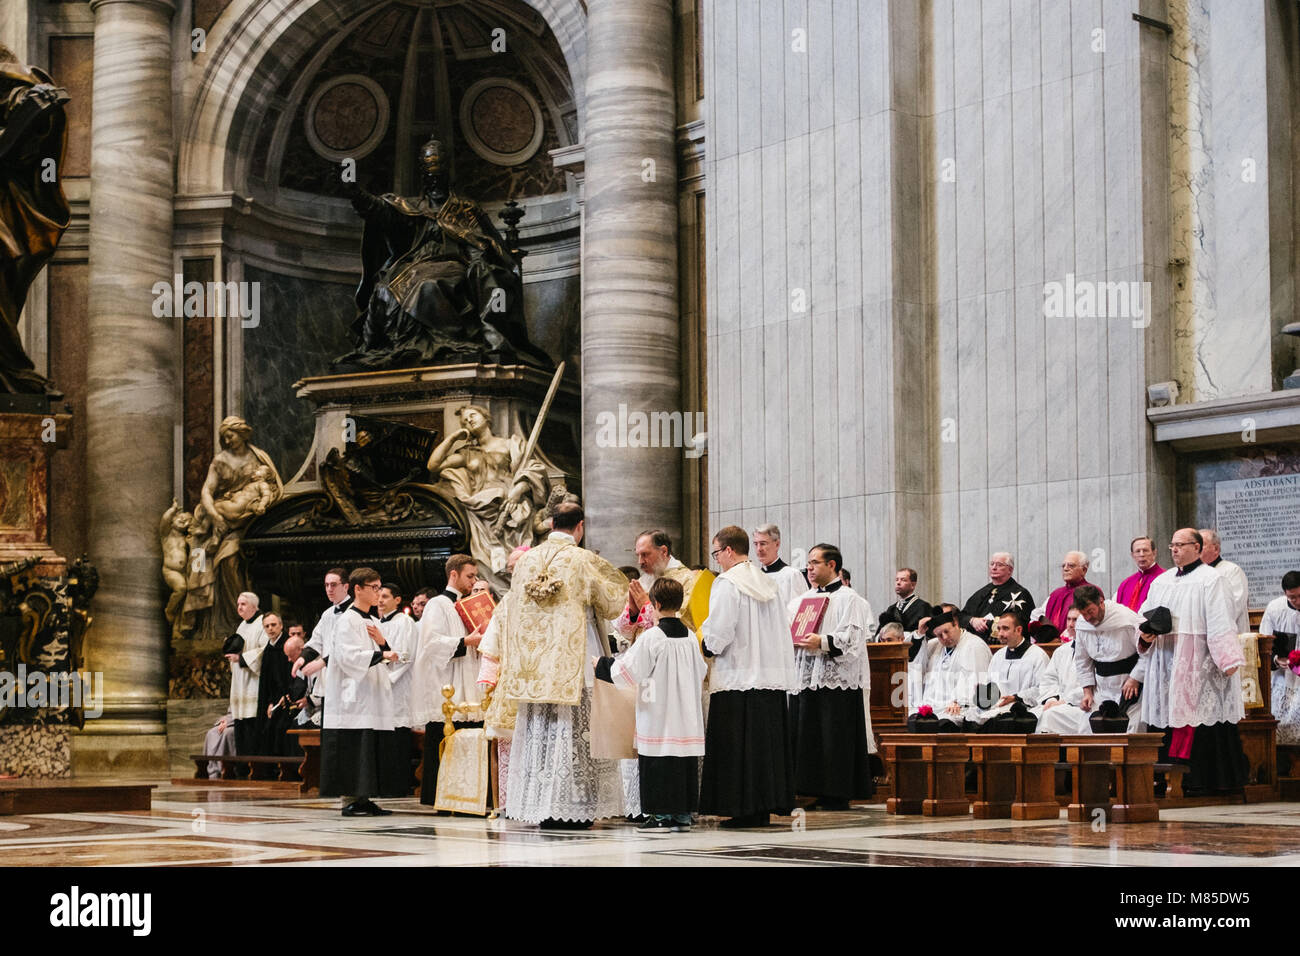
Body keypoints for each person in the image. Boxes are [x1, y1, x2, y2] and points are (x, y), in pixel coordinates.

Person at [480, 502, 628, 828]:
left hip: (533, 665)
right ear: (580, 527)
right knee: (575, 735)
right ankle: (574, 810)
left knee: (541, 734)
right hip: (573, 661)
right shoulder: (583, 560)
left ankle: (543, 807)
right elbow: (612, 602)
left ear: (549, 524)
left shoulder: (526, 561)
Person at [698, 525, 797, 828]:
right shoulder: (767, 582)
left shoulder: (728, 583)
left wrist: (707, 644)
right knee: (763, 749)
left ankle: (740, 809)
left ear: (728, 550)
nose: (716, 560)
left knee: (738, 748)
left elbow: (721, 631)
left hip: (737, 679)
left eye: (716, 553)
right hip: (769, 680)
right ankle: (762, 808)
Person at [1138, 529, 1248, 795]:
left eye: (1180, 545)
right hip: (1165, 659)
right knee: (1166, 713)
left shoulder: (1212, 579)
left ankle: (1203, 780)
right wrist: (1145, 634)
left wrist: (1227, 658)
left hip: (1198, 661)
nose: (1174, 550)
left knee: (1200, 715)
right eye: (1172, 545)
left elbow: (1222, 620)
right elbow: (1144, 616)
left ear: (1197, 548)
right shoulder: (1161, 582)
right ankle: (1163, 778)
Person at [594, 578, 707, 832]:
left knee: (658, 762)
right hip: (685, 712)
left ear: (654, 603)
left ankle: (659, 814)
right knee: (682, 762)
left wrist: (601, 665)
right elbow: (701, 671)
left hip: (658, 710)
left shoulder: (653, 637)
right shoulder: (689, 636)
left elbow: (629, 670)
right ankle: (682, 813)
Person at [789, 543, 873, 809]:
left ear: (832, 565)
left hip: (837, 681)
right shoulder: (800, 601)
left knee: (834, 736)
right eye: (809, 564)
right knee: (809, 735)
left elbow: (854, 640)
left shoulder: (851, 599)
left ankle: (837, 792)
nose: (809, 568)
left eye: (815, 563)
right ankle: (812, 788)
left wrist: (822, 641)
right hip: (805, 677)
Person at [320, 567, 403, 817]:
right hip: (352, 697)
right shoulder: (347, 620)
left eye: (380, 588)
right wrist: (381, 653)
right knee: (355, 747)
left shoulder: (373, 620)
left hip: (372, 695)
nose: (379, 593)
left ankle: (364, 797)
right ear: (358, 589)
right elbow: (348, 657)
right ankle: (350, 799)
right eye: (374, 588)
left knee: (370, 747)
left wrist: (383, 645)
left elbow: (388, 654)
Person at [413, 554, 485, 807]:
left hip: (467, 681)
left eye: (475, 576)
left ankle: (467, 797)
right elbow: (431, 644)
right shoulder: (437, 605)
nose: (473, 581)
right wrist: (467, 642)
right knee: (444, 740)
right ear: (453, 574)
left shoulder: (467, 604)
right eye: (469, 576)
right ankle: (441, 797)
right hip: (448, 685)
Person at [1071, 584, 1145, 732]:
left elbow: (1147, 652)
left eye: (1091, 611)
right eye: (1083, 613)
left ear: (1101, 602)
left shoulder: (1125, 619)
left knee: (1130, 729)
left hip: (1128, 686)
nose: (1088, 618)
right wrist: (1087, 691)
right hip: (1101, 689)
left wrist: (1135, 678)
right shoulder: (1083, 624)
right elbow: (1082, 660)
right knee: (1088, 729)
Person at [908, 606, 992, 731]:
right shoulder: (934, 645)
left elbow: (975, 679)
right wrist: (920, 634)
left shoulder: (974, 645)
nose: (945, 638)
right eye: (939, 635)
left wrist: (958, 701)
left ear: (956, 624)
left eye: (947, 631)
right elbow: (915, 663)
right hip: (933, 706)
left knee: (944, 724)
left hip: (958, 707)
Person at [614, 530, 699, 643]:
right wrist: (633, 614)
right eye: (638, 555)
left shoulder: (687, 580)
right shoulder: (644, 580)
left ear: (663, 551)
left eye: (645, 554)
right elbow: (625, 633)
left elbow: (682, 624)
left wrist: (646, 606)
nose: (640, 561)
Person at [970, 613, 1048, 732]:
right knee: (970, 719)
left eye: (1005, 629)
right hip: (998, 707)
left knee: (1004, 723)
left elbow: (1043, 689)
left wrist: (1016, 697)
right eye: (999, 629)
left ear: (1018, 630)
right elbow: (992, 686)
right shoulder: (998, 656)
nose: (1000, 634)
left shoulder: (1037, 656)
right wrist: (984, 692)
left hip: (1024, 709)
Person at [293, 568, 353, 719]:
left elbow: (347, 649)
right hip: (330, 683)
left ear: (346, 586)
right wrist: (302, 658)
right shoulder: (327, 614)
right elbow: (316, 642)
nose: (329, 589)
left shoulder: (355, 612)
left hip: (350, 684)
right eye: (326, 585)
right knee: (330, 736)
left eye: (333, 585)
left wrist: (321, 663)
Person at [378, 582, 418, 794]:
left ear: (397, 600)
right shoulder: (374, 622)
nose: (380, 600)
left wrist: (386, 679)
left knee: (397, 735)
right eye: (379, 596)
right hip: (378, 688)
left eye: (385, 596)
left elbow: (406, 656)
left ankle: (399, 785)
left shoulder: (405, 622)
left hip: (398, 685)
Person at [224, 591, 267, 755]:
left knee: (251, 727)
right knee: (240, 727)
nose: (239, 608)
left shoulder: (263, 623)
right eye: (238, 604)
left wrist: (241, 659)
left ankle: (254, 768)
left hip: (253, 683)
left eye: (243, 604)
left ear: (254, 606)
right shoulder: (242, 625)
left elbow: (264, 651)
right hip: (240, 683)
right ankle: (241, 768)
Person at [1261, 571, 1300, 746]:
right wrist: (1277, 660)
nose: (1297, 602)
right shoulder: (1275, 609)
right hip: (1282, 676)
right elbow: (1263, 644)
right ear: (1285, 593)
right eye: (1292, 598)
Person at [1036, 608, 1088, 733]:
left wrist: (1066, 701)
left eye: (1075, 620)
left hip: (1081, 706)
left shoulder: (1093, 650)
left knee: (1049, 716)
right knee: (1035, 716)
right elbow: (1049, 679)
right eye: (1068, 619)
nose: (1070, 625)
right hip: (1058, 703)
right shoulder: (1061, 651)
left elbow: (1092, 684)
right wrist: (1052, 699)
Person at [960, 552, 1035, 638]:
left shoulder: (1020, 594)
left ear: (1010, 570)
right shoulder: (982, 592)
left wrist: (986, 624)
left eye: (999, 565)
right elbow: (962, 616)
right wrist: (973, 621)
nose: (994, 568)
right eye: (992, 564)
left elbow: (1020, 625)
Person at [254, 613, 294, 756]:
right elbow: (266, 682)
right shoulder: (268, 649)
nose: (270, 629)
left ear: (281, 626)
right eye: (267, 626)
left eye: (274, 625)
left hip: (288, 699)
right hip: (273, 700)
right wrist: (270, 702)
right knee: (264, 728)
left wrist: (286, 695)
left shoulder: (288, 645)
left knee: (280, 729)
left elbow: (293, 677)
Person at [1200, 528, 1250, 634]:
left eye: (1202, 544)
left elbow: (1235, 605)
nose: (1198, 548)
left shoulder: (1232, 571)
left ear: (1216, 549)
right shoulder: (1196, 574)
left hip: (1229, 635)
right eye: (1195, 545)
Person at [878, 568, 933, 662]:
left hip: (916, 657)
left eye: (903, 580)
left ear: (913, 584)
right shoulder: (891, 609)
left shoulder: (923, 607)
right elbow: (880, 636)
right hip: (892, 656)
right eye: (897, 580)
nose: (898, 583)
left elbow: (930, 636)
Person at [752, 523, 808, 608]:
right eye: (756, 544)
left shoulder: (792, 575)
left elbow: (801, 610)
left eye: (763, 543)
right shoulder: (754, 577)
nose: (759, 549)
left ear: (777, 544)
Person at [1043, 551, 1096, 631]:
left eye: (1071, 566)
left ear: (1084, 570)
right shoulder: (1055, 594)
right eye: (1063, 566)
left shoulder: (1091, 592)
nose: (1065, 569)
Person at [1115, 536, 1164, 611]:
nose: (1141, 554)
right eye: (1138, 551)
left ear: (1154, 553)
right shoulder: (1126, 584)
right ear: (1132, 555)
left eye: (1145, 550)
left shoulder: (1164, 578)